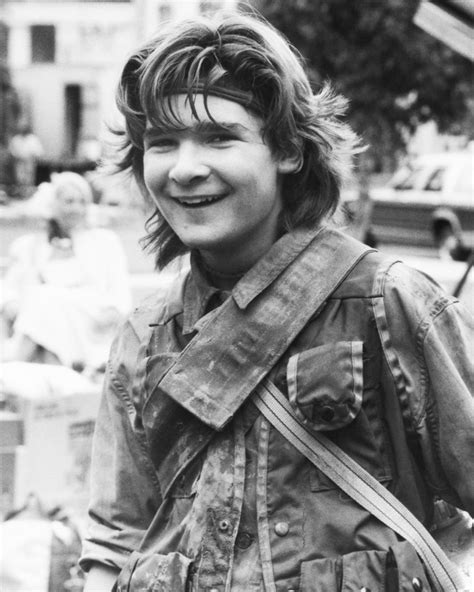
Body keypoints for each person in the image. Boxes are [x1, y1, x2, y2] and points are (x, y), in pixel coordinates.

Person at [80, 10, 473, 592]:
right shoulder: (144, 338)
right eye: (163, 143)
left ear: (288, 150)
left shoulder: (388, 304)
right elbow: (117, 538)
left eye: (220, 136)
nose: (186, 168)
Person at [1, 171, 132, 371]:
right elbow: (8, 287)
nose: (77, 208)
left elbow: (120, 289)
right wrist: (11, 304)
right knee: (46, 302)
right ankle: (55, 370)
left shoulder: (104, 242)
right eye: (69, 201)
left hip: (91, 316)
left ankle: (18, 362)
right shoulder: (30, 245)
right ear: (52, 205)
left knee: (45, 297)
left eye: (82, 202)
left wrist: (114, 310)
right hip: (44, 316)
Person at [8, 123, 44, 190]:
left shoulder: (33, 139)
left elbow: (39, 151)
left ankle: (28, 191)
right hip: (19, 161)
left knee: (29, 177)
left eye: (25, 128)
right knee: (19, 177)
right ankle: (20, 191)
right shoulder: (16, 139)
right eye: (22, 128)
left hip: (29, 161)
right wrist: (15, 156)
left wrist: (33, 158)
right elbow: (11, 150)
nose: (23, 130)